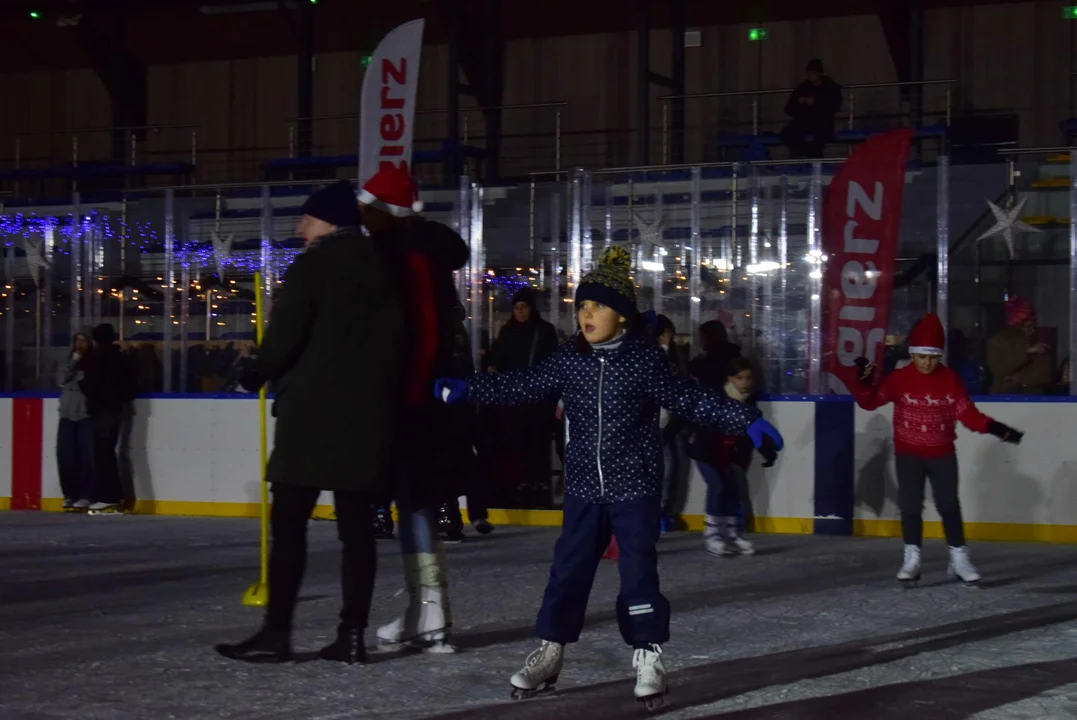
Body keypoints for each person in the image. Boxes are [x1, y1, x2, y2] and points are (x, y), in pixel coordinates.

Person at [435, 246, 784, 709]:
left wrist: (746, 420)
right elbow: (522, 384)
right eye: (581, 306)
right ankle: (551, 651)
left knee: (638, 573)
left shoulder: (644, 362)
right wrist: (469, 387)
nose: (586, 314)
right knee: (568, 572)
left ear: (621, 315)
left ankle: (647, 654)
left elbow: (691, 400)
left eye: (597, 305)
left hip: (634, 487)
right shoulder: (569, 360)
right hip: (583, 488)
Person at [216, 179, 405, 665]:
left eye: (307, 218)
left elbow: (285, 337)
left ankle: (277, 633)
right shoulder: (385, 267)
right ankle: (353, 634)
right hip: (368, 416)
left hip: (312, 417)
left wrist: (254, 371)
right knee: (357, 529)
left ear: (327, 221)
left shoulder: (315, 265)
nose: (300, 227)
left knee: (290, 522)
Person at [360, 163, 473, 651]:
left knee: (413, 501)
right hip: (430, 401)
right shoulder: (422, 253)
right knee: (414, 504)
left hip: (409, 404)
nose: (361, 213)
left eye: (368, 204)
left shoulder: (399, 258)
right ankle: (425, 608)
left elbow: (414, 337)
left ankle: (429, 610)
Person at [854, 313, 1024, 587]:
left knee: (948, 504)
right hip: (908, 454)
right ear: (912, 355)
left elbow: (969, 415)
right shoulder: (899, 379)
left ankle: (959, 558)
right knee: (910, 505)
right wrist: (861, 383)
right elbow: (871, 403)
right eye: (921, 356)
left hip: (942, 454)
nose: (926, 363)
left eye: (932, 357)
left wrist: (999, 430)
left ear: (940, 356)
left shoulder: (950, 380)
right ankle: (912, 558)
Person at [688, 356, 777, 556]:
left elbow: (755, 431)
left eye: (748, 378)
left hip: (730, 453)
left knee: (732, 490)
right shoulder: (717, 397)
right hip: (706, 451)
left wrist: (767, 452)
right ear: (729, 379)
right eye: (739, 378)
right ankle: (712, 534)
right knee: (718, 486)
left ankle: (732, 533)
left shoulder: (750, 402)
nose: (745, 382)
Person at [485, 286, 560, 513]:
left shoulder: (544, 332)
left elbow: (552, 365)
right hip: (514, 403)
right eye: (516, 308)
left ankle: (538, 493)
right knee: (515, 448)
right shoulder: (508, 332)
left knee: (537, 447)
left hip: (537, 402)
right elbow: (496, 360)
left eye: (524, 307)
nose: (519, 312)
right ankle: (517, 493)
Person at [80, 323, 133, 514]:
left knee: (102, 454)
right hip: (115, 409)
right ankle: (113, 496)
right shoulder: (120, 356)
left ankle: (108, 497)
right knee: (108, 453)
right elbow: (129, 386)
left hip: (102, 410)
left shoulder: (97, 358)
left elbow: (90, 385)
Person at [58, 331, 95, 511]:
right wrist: (73, 361)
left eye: (83, 341)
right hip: (66, 414)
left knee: (86, 457)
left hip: (85, 414)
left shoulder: (93, 362)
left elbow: (89, 384)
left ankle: (86, 494)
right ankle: (69, 494)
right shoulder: (68, 361)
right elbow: (61, 379)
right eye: (77, 341)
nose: (80, 345)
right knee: (66, 456)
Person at [986, 296, 1052, 395]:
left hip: (1033, 398)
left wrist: (1018, 379)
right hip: (1003, 398)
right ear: (1016, 325)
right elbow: (998, 369)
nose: (1033, 329)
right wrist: (1026, 353)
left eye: (1034, 324)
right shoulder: (997, 342)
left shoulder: (1038, 341)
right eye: (1027, 325)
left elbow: (1046, 374)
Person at [780, 59, 843, 159]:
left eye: (813, 73)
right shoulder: (802, 88)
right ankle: (803, 154)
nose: (810, 76)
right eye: (808, 73)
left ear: (819, 74)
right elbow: (789, 109)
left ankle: (813, 158)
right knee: (787, 132)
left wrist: (816, 102)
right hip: (804, 121)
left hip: (823, 122)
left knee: (820, 137)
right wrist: (799, 103)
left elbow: (835, 105)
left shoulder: (830, 87)